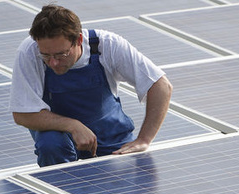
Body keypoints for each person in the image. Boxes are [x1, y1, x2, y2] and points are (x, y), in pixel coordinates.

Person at [9, 4, 172, 167]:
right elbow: (22, 113)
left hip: (109, 134)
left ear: (79, 40)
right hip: (61, 137)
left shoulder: (107, 45)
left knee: (124, 183)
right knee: (50, 144)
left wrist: (144, 139)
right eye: (46, 55)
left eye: (61, 54)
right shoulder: (29, 52)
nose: (53, 62)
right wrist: (73, 126)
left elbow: (160, 85)